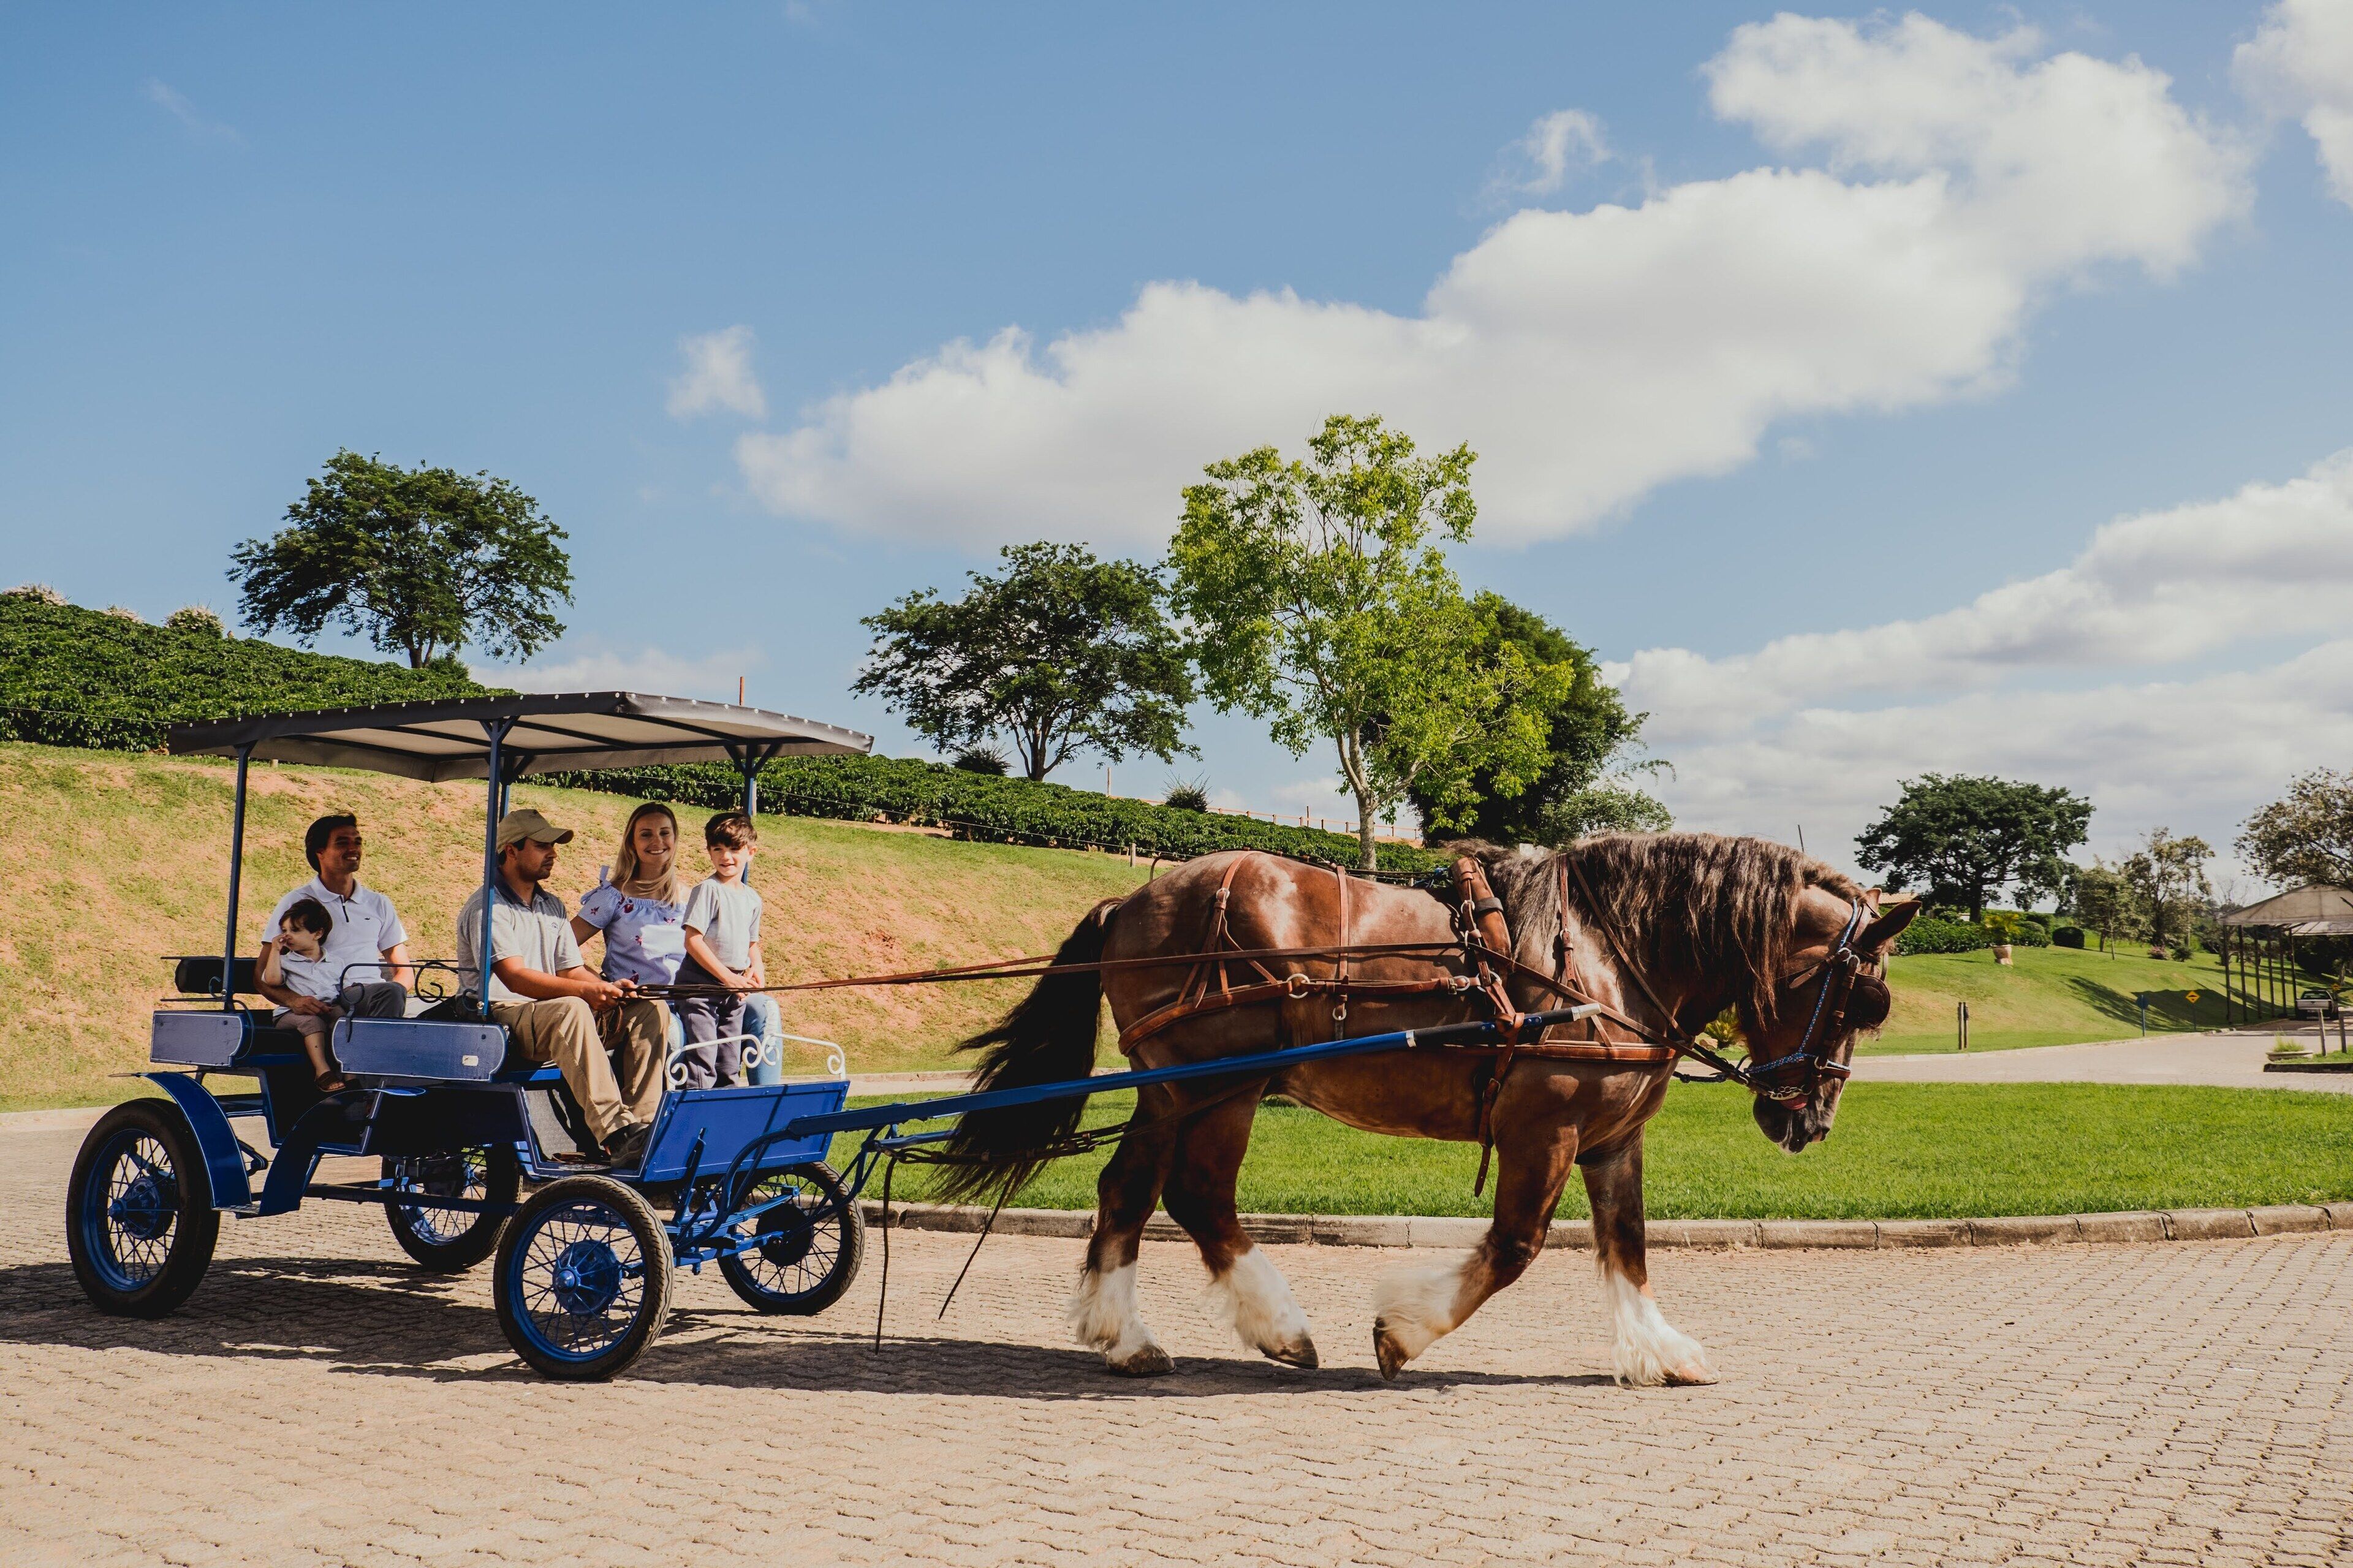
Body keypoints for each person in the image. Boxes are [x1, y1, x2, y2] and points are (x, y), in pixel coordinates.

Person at [457, 808, 667, 1165]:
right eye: (542, 846)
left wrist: (607, 988)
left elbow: (571, 970)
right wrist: (584, 993)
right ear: (511, 851)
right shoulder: (486, 907)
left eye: (553, 846)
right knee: (571, 1008)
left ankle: (642, 1131)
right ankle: (615, 1134)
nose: (553, 853)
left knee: (650, 1008)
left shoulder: (551, 905)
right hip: (501, 1018)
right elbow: (515, 977)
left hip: (548, 1014)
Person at [257, 813, 414, 1025]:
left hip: (371, 996)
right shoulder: (297, 901)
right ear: (319, 851)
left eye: (358, 842)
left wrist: (391, 996)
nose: (354, 849)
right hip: (327, 999)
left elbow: (404, 972)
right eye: (342, 843)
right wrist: (295, 1001)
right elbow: (261, 974)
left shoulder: (379, 903)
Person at [257, 897, 407, 1093]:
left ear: (317, 933)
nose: (287, 936)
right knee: (312, 1022)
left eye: (295, 931)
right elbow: (272, 980)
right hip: (293, 1014)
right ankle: (323, 1071)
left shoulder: (335, 962)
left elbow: (342, 988)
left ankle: (350, 1071)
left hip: (327, 1008)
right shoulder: (286, 961)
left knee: (344, 1022)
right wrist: (276, 952)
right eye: (284, 931)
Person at [674, 811, 765, 1089]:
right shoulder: (707, 890)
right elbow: (693, 941)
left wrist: (756, 969)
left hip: (734, 989)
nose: (726, 857)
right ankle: (696, 1109)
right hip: (699, 988)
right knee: (704, 1056)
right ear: (709, 853)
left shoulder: (752, 898)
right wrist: (727, 977)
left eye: (735, 849)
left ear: (751, 852)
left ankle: (727, 1113)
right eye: (718, 849)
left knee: (729, 1060)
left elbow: (752, 943)